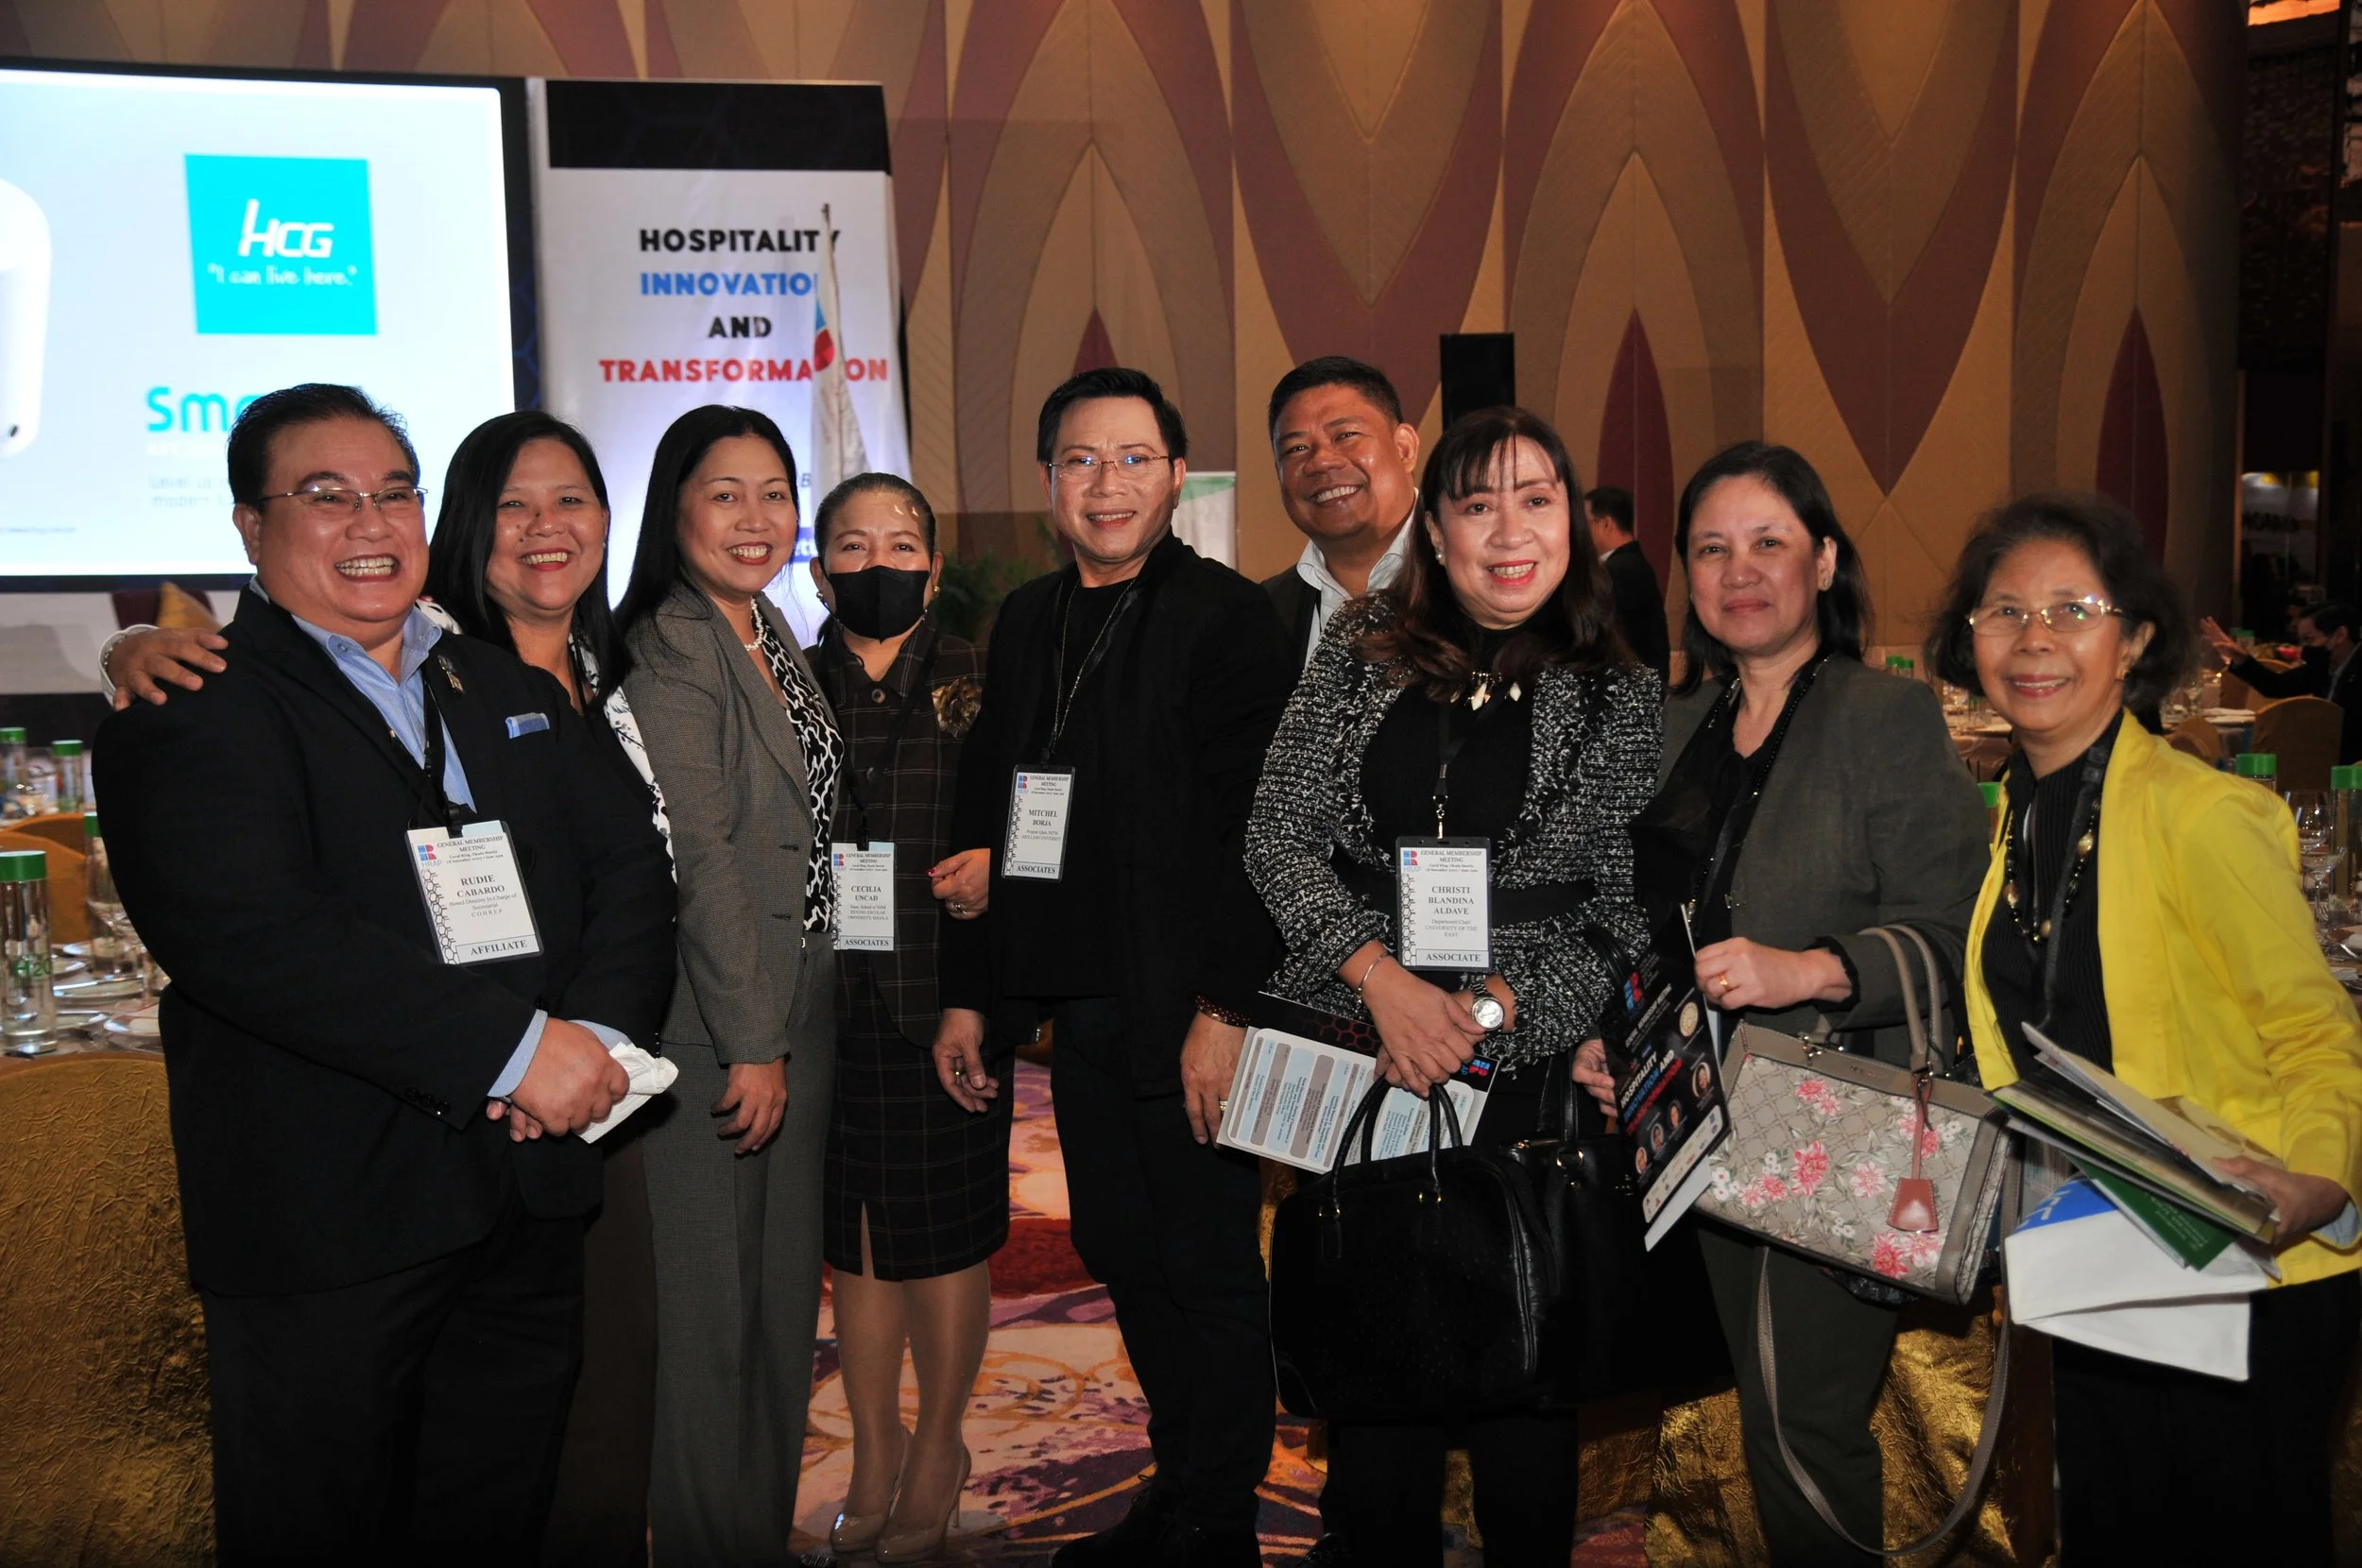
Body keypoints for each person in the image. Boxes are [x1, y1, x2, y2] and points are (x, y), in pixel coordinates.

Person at [92, 383, 676, 1564]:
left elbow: (629, 870)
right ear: (250, 526)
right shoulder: (191, 705)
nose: (371, 522)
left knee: (496, 1514)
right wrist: (513, 1051)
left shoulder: (500, 688)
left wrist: (594, 1045)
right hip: (330, 1217)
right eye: (327, 495)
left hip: (525, 1190)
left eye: (395, 493)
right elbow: (254, 935)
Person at [1246, 405, 1657, 1568]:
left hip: (1520, 1068)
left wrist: (1478, 1014)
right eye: (1479, 504)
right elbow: (1276, 833)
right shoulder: (1364, 646)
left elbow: (1620, 909)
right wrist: (1381, 981)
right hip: (1364, 1048)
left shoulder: (1616, 686)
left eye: (1537, 500)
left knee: (1523, 1395)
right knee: (1379, 1400)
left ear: (1573, 521)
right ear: (1434, 526)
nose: (1510, 532)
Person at [1927, 493, 2362, 1563]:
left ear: (2134, 641)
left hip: (2247, 1260)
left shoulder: (2203, 814)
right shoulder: (2019, 818)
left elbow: (2314, 1029)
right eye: (2004, 611)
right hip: (2108, 1249)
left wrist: (2318, 1179)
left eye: (2072, 610)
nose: (2034, 639)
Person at [1578, 441, 1988, 1565]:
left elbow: (1956, 934)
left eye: (1768, 542)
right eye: (1712, 548)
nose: (1739, 569)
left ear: (1824, 560)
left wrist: (1808, 967)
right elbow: (1640, 922)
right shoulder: (1677, 722)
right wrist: (1608, 1041)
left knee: (1801, 1427)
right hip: (1682, 1126)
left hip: (1821, 1120)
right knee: (1745, 1412)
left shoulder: (1883, 716)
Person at [933, 366, 1295, 1568]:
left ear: (1177, 475)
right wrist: (973, 990)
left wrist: (1223, 1008)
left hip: (1188, 1007)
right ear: (1049, 481)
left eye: (1134, 458)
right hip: (1079, 1009)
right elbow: (994, 808)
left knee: (1206, 1269)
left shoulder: (1226, 619)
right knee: (1123, 1256)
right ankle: (1180, 1485)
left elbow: (1257, 837)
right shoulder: (1029, 619)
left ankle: (1220, 1521)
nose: (1107, 483)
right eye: (1081, 460)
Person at [614, 404, 844, 1567]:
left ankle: (755, 1532)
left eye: (774, 492)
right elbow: (699, 854)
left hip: (796, 1010)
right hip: (716, 1031)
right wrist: (754, 1038)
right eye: (724, 493)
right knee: (710, 1323)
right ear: (675, 510)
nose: (756, 518)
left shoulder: (769, 626)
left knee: (777, 1307)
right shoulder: (671, 641)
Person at [801, 472, 1001, 1563]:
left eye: (900, 543)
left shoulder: (980, 675)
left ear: (933, 562)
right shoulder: (788, 680)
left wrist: (996, 868)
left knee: (941, 1231)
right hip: (823, 999)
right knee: (859, 1239)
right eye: (852, 545)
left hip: (944, 994)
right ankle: (874, 1448)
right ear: (819, 565)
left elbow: (1033, 812)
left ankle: (939, 1446)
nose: (877, 563)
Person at [1261, 356, 1421, 669]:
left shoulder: (1475, 576)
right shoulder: (1262, 613)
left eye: (1345, 435)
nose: (1321, 461)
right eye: (1296, 449)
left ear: (1404, 448)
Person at [2202, 602, 2362, 762]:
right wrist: (2239, 656)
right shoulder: (2324, 667)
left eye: (2309, 639)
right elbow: (2276, 685)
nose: (2303, 649)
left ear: (2339, 635)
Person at [1584, 484, 1669, 674]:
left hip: (1629, 684)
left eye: (1584, 524)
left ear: (1606, 524)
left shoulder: (1620, 569)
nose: (1579, 533)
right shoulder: (1628, 564)